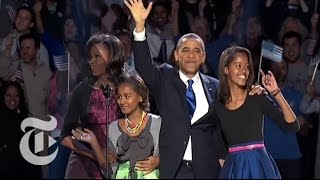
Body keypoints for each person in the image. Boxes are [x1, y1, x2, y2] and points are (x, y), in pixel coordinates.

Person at [124, 1, 265, 178]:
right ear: (176, 55)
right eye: (185, 50)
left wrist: (253, 94)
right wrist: (139, 25)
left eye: (197, 51)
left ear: (203, 57)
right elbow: (144, 65)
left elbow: (229, 117)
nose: (191, 55)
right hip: (174, 168)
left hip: (207, 169)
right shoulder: (164, 78)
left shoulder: (215, 86)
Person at [211, 46, 300, 179]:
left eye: (247, 66)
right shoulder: (217, 106)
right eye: (238, 65)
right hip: (233, 169)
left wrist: (276, 92)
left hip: (259, 166)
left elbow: (292, 126)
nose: (244, 70)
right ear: (226, 70)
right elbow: (220, 148)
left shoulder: (257, 98)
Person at [72, 75, 161, 179]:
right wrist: (94, 142)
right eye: (119, 97)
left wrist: (160, 161)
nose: (122, 102)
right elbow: (108, 171)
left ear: (140, 97)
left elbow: (174, 154)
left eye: (127, 96)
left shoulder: (157, 123)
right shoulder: (114, 129)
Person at [60, 33, 124, 178]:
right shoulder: (82, 90)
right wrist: (93, 153)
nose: (91, 61)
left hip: (120, 160)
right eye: (90, 57)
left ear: (112, 58)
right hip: (85, 162)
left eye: (97, 56)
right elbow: (65, 136)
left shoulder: (127, 87)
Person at [0, 81, 42, 178]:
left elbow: (34, 152)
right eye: (8, 95)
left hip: (24, 173)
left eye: (16, 95)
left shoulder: (26, 121)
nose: (12, 99)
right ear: (3, 97)